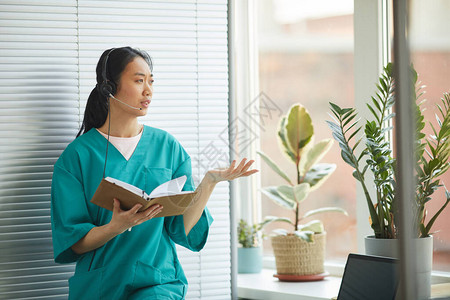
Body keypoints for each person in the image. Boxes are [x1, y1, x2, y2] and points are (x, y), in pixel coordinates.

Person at [50, 46, 258, 299]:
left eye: (151, 81)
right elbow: (72, 240)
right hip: (101, 285)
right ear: (108, 87)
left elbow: (181, 228)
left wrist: (209, 183)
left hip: (157, 281)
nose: (148, 90)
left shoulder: (168, 147)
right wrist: (116, 226)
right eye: (139, 81)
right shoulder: (77, 157)